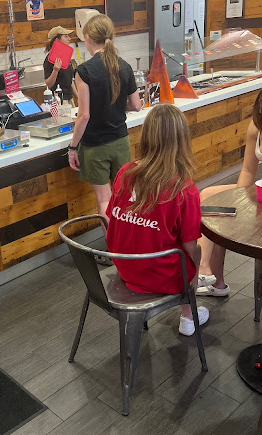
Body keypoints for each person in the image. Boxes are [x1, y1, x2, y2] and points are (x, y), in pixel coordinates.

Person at [106, 104, 209, 336]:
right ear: (182, 140)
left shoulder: (125, 173)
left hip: (124, 266)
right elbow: (189, 245)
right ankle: (188, 316)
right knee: (196, 252)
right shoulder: (184, 189)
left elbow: (112, 217)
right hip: (158, 275)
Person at [68, 14, 141, 221]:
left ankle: (111, 242)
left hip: (95, 146)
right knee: (125, 197)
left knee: (105, 201)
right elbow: (136, 105)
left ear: (88, 38)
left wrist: (73, 148)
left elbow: (84, 115)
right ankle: (127, 239)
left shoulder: (84, 71)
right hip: (120, 141)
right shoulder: (124, 66)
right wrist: (114, 106)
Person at [197, 90, 262, 298]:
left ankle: (208, 275)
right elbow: (248, 170)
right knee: (210, 198)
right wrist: (236, 199)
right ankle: (208, 274)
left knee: (223, 210)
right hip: (257, 192)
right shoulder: (255, 126)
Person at [44, 26, 77, 103]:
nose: (69, 39)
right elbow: (49, 84)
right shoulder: (49, 60)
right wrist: (55, 70)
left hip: (69, 99)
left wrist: (78, 97)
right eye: (66, 36)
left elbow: (69, 80)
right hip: (59, 100)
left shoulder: (65, 57)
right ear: (57, 40)